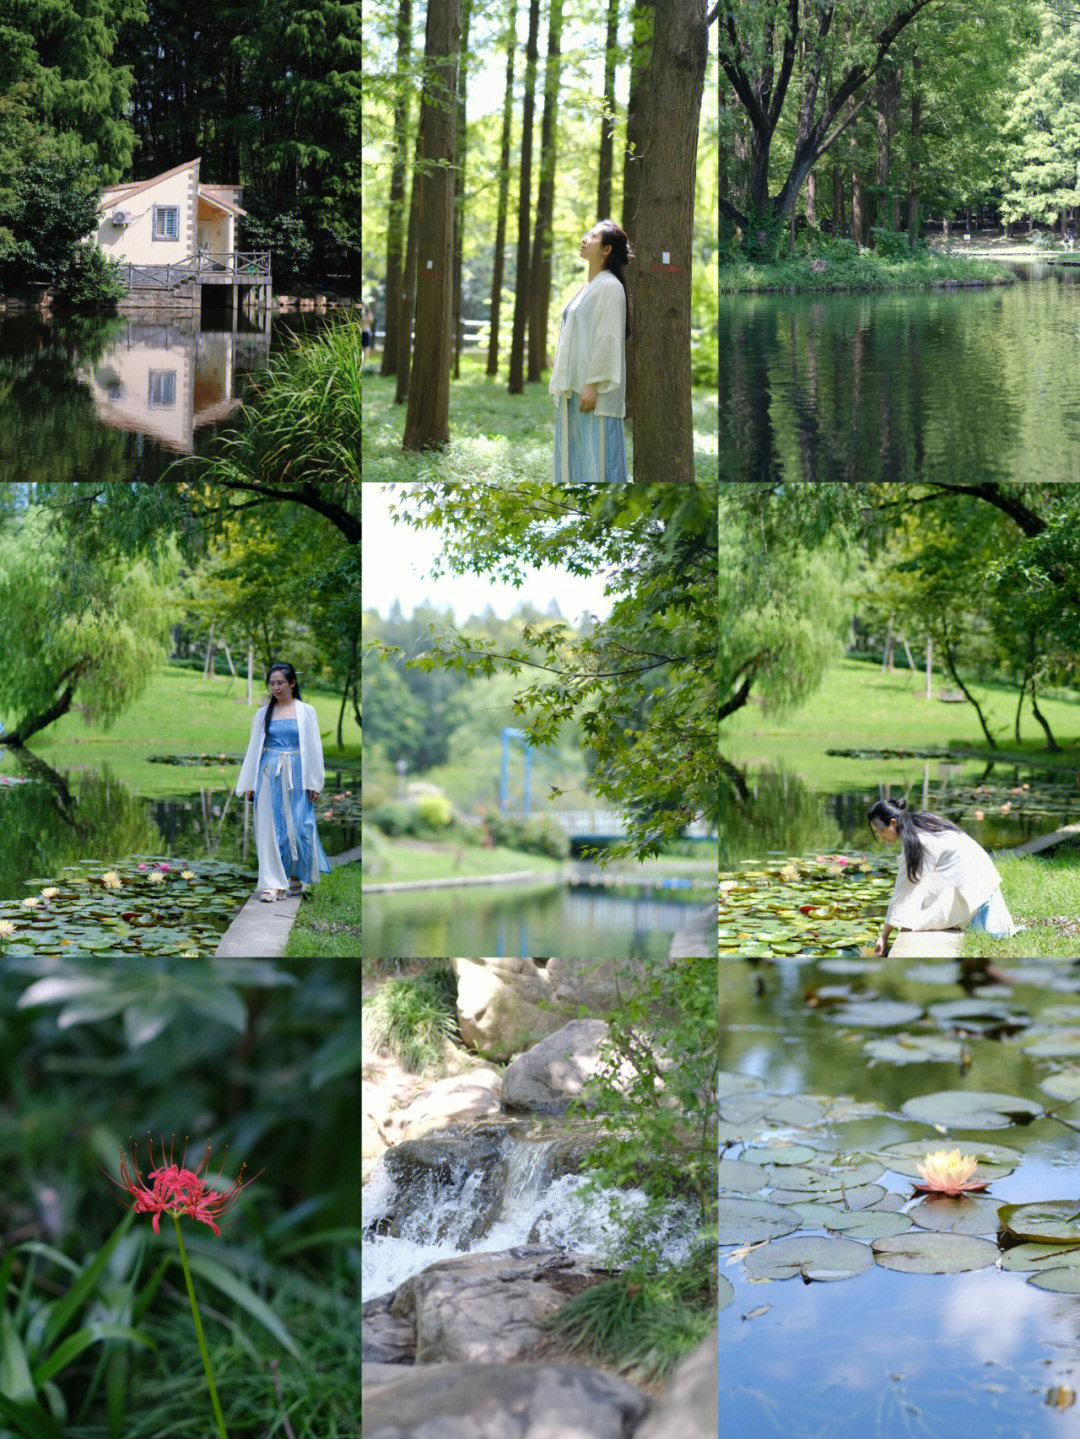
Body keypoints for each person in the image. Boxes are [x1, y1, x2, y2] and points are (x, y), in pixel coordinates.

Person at [868, 797, 1018, 955]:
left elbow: (904, 891)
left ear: (893, 823)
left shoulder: (919, 841)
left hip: (980, 897)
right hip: (984, 881)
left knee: (916, 921)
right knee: (916, 908)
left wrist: (884, 936)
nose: (880, 836)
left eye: (880, 830)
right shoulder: (922, 822)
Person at [235, 662, 331, 902]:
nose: (275, 688)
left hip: (297, 772)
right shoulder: (262, 714)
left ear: (292, 683)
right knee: (271, 829)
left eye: (280, 683)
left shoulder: (306, 711)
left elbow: (314, 747)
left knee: (299, 828)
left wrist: (314, 782)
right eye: (272, 683)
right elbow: (254, 749)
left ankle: (294, 875)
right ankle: (273, 884)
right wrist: (250, 784)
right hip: (269, 773)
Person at [548, 219, 631, 483]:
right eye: (587, 234)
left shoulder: (610, 286)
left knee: (599, 461)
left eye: (593, 236)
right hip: (573, 387)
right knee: (576, 460)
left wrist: (592, 384)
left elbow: (608, 337)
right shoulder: (588, 287)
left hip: (594, 393)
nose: (585, 238)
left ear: (607, 250)